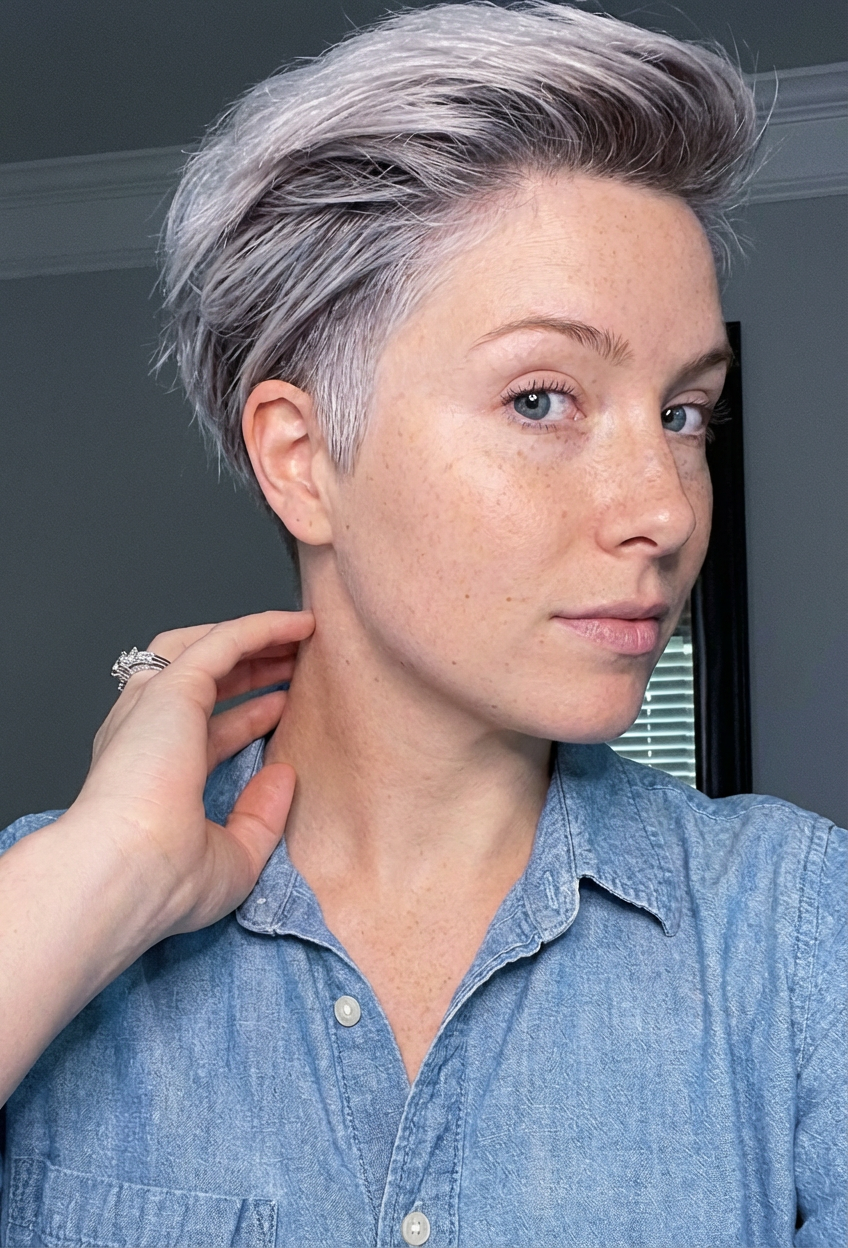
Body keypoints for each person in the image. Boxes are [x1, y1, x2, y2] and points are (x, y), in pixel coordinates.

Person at [1, 4, 845, 1246]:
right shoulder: (50, 905)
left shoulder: (796, 929)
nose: (665, 510)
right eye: (542, 399)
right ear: (302, 460)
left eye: (681, 415)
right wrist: (96, 882)